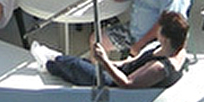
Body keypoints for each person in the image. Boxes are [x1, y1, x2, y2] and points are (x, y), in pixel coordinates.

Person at [44, 10, 188, 89]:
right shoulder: (177, 50)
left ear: (165, 38)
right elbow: (133, 62)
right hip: (119, 72)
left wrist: (105, 61)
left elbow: (127, 83)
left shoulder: (159, 67)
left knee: (75, 66)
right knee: (84, 63)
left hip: (114, 85)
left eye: (159, 30)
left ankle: (48, 63)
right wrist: (110, 64)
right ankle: (56, 62)